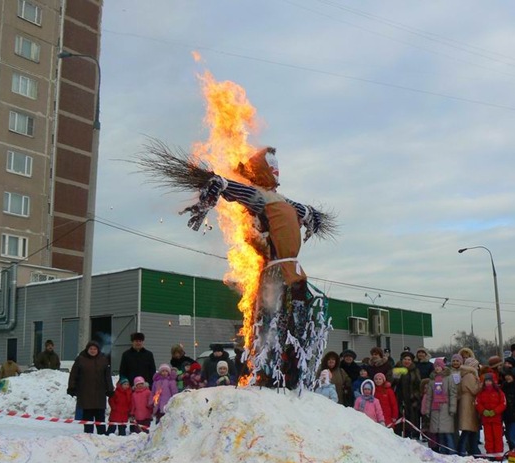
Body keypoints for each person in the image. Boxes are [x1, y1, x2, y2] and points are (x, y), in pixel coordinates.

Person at [137, 142, 335, 390]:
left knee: (279, 327)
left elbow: (230, 188)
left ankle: (277, 377)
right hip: (287, 275)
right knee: (282, 326)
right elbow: (307, 214)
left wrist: (217, 187)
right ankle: (278, 376)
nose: (276, 171)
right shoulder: (273, 200)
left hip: (283, 275)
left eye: (276, 166)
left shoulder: (274, 200)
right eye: (270, 166)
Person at [67, 341, 114, 435]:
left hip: (100, 394)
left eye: (95, 349)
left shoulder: (103, 360)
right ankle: (88, 435)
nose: (93, 351)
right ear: (87, 349)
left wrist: (110, 389)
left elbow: (107, 376)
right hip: (85, 393)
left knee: (100, 416)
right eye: (91, 349)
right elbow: (73, 374)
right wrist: (71, 387)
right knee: (87, 417)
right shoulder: (80, 359)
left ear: (98, 350)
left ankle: (101, 435)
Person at [422, 358, 457, 454]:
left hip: (446, 408)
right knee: (439, 432)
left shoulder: (449, 378)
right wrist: (427, 410)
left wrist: (452, 408)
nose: (437, 368)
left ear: (442, 367)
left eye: (439, 366)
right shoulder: (432, 380)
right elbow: (429, 396)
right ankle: (443, 450)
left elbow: (453, 394)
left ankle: (451, 451)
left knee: (447, 432)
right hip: (435, 408)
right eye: (435, 366)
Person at [475, 373, 506, 458]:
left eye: (489, 381)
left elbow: (503, 403)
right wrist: (483, 411)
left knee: (498, 437)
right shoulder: (481, 393)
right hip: (486, 418)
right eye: (486, 381)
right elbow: (478, 403)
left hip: (496, 418)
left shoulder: (499, 392)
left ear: (493, 382)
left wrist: (495, 411)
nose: (488, 383)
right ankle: (490, 454)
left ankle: (498, 455)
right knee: (488, 437)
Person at [392, 350, 421, 439]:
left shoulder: (415, 370)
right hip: (399, 397)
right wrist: (397, 375)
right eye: (405, 359)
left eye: (409, 359)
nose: (407, 361)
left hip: (411, 399)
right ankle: (397, 436)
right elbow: (392, 382)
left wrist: (415, 396)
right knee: (398, 418)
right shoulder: (397, 368)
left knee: (410, 418)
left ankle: (410, 436)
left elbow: (418, 385)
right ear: (402, 360)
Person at [457, 357, 481, 457]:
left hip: (466, 402)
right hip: (468, 402)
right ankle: (462, 450)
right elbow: (475, 390)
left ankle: (472, 449)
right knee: (467, 429)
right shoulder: (470, 376)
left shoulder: (464, 375)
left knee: (469, 429)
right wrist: (481, 384)